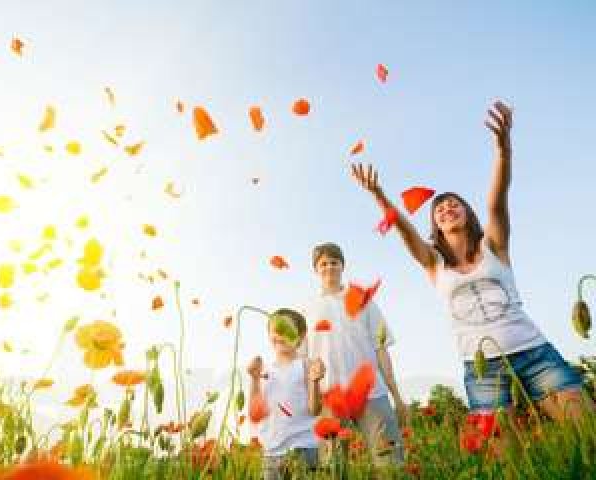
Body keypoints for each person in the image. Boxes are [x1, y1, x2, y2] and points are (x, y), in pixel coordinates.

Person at [351, 101, 588, 421]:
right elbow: (405, 232)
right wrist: (379, 195)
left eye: (454, 204)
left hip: (534, 354)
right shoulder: (434, 263)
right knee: (504, 455)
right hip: (482, 368)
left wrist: (503, 150)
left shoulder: (495, 246)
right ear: (435, 225)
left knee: (584, 427)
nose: (446, 208)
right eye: (439, 209)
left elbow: (497, 200)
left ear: (467, 213)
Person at [302, 242, 405, 465]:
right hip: (330, 397)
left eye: (334, 262)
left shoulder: (363, 300)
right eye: (323, 264)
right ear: (316, 270)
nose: (329, 267)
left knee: (390, 462)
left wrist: (395, 394)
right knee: (334, 468)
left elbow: (381, 347)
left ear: (343, 266)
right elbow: (304, 362)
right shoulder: (307, 308)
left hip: (371, 393)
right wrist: (311, 399)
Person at [248, 308, 326, 480]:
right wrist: (254, 379)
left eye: (287, 329)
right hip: (272, 453)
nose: (280, 334)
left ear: (300, 336)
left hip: (302, 448)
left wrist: (315, 381)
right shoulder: (263, 370)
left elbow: (315, 410)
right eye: (276, 329)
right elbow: (255, 413)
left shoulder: (305, 366)